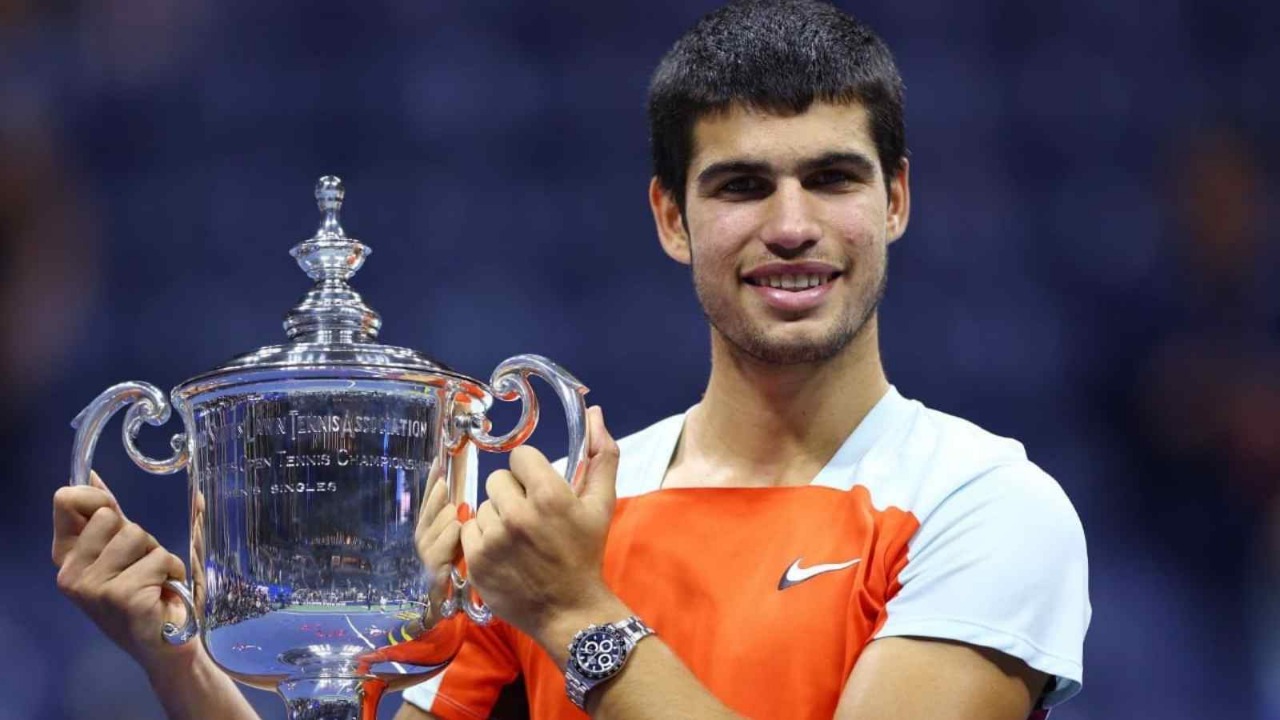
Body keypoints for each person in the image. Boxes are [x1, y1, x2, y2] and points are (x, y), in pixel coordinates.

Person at [51, 1, 1090, 719]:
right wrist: (174, 652)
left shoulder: (982, 504)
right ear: (669, 219)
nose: (789, 226)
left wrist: (580, 618)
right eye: (738, 187)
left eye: (831, 179)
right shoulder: (563, 530)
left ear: (894, 201)